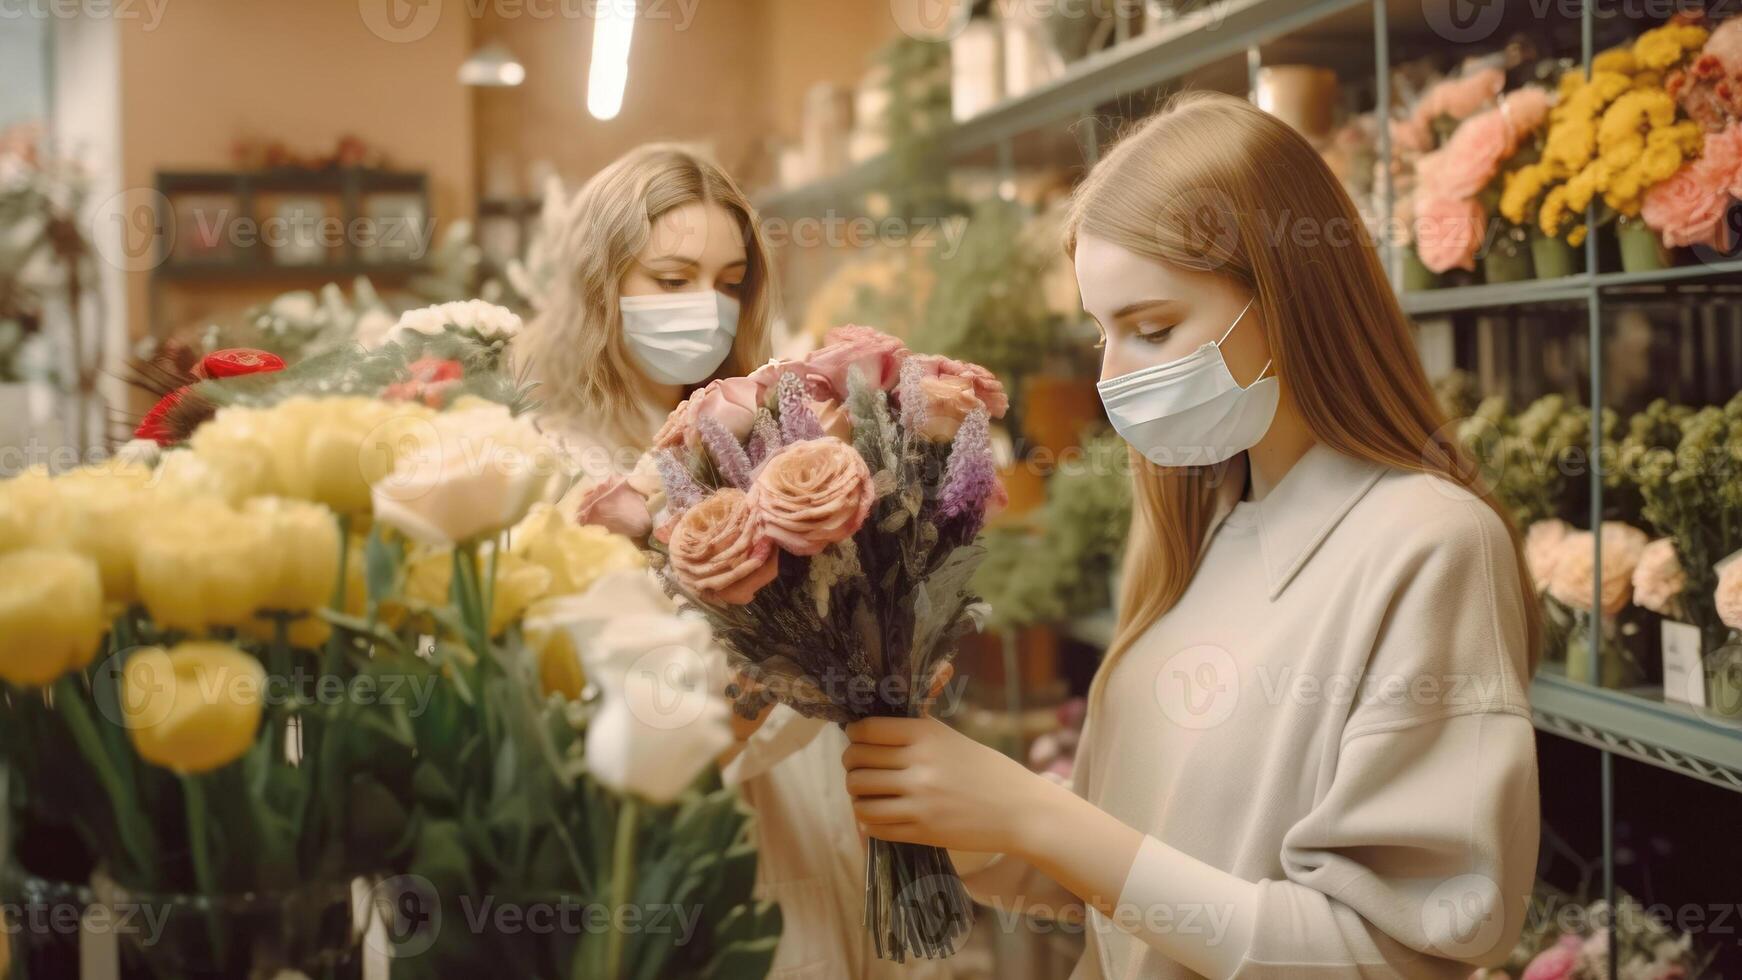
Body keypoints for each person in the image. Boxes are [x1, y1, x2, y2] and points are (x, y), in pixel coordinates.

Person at [841, 91, 1542, 979]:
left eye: (1153, 327)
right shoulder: (1201, 527)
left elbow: (1387, 954)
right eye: (1099, 331)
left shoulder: (1432, 548)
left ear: (1288, 299)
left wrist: (1034, 815)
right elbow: (1131, 878)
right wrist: (966, 822)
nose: (1111, 376)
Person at [518, 144, 943, 979]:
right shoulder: (551, 465)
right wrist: (771, 682)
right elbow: (577, 730)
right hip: (684, 846)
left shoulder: (777, 430)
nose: (706, 308)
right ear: (600, 286)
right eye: (671, 280)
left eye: (728, 280)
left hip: (821, 812)